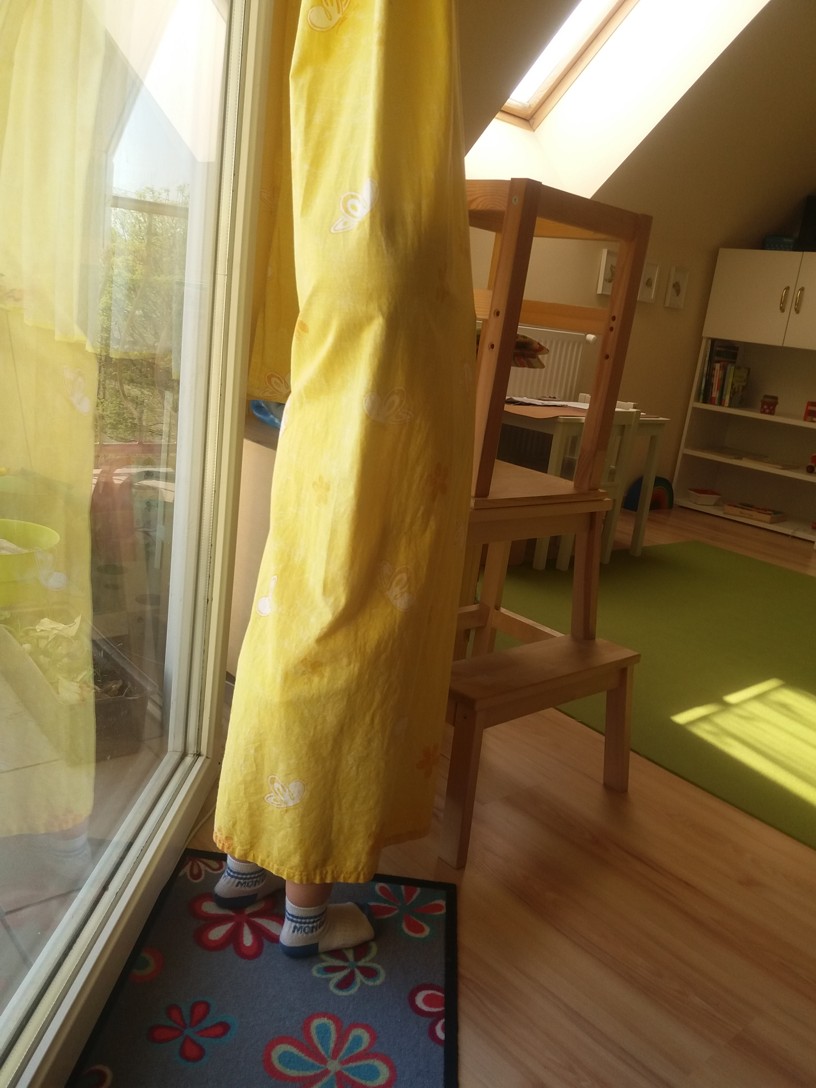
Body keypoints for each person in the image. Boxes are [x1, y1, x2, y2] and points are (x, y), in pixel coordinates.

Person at [212, 0, 475, 957]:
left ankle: (246, 856)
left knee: (292, 606)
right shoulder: (395, 81)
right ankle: (308, 908)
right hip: (392, 336)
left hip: (332, 331)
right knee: (352, 620)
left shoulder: (311, 103)